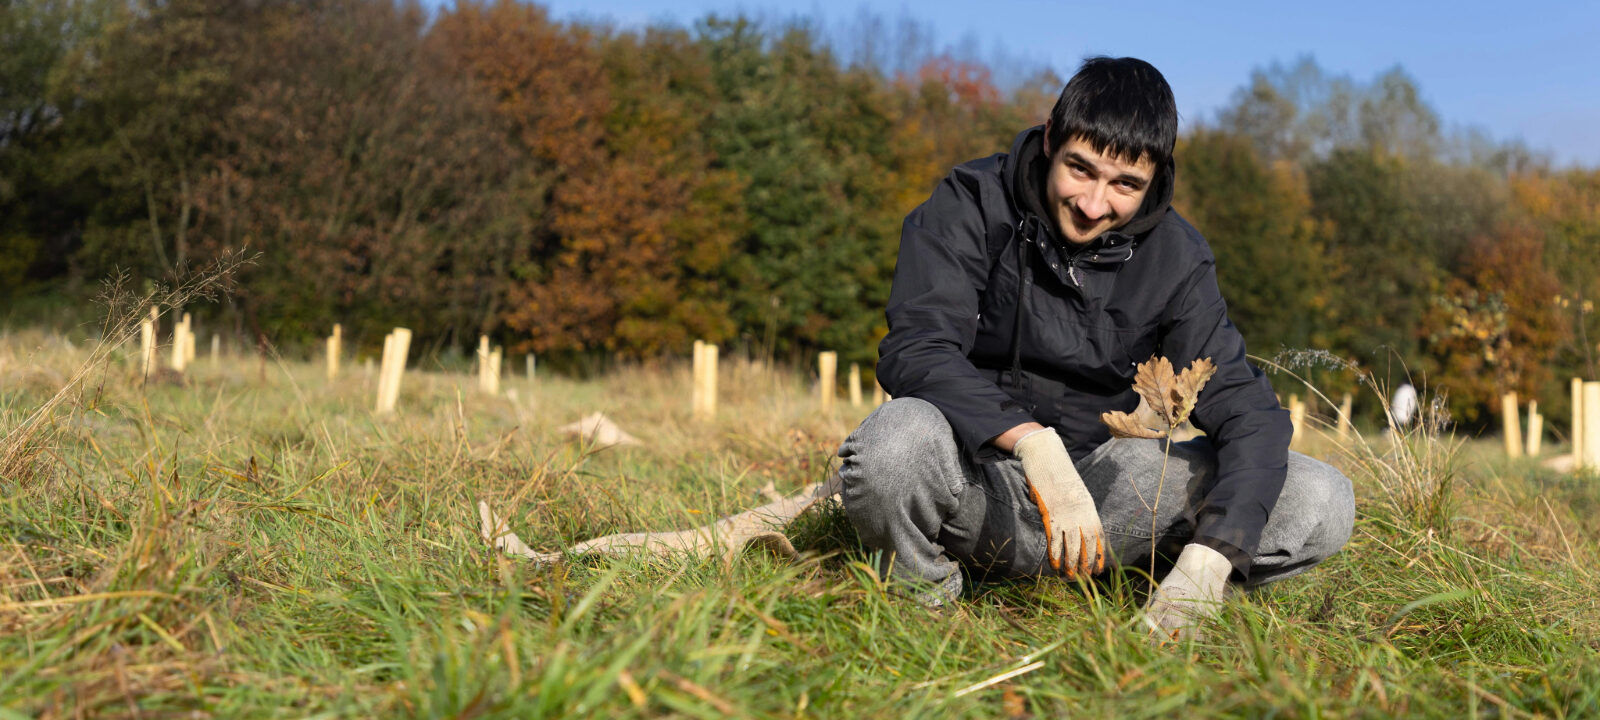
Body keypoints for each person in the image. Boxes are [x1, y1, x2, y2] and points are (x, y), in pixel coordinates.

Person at [837, 56, 1355, 641]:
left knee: (1322, 497)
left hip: (1107, 494)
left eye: (1125, 185)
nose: (1092, 204)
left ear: (1155, 176)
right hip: (978, 478)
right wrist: (1032, 444)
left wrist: (1211, 559)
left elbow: (1243, 406)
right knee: (892, 446)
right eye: (1079, 170)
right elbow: (918, 347)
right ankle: (927, 609)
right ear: (1052, 138)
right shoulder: (972, 202)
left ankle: (1149, 591)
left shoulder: (1178, 258)